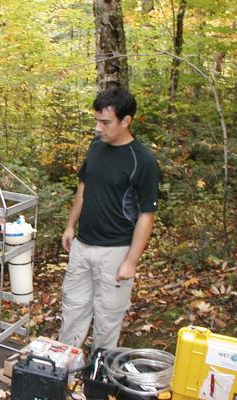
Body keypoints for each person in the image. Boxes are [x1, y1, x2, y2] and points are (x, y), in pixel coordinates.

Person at [59, 86, 159, 351]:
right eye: (96, 120)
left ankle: (99, 372)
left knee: (107, 315)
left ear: (126, 121)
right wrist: (70, 226)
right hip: (82, 246)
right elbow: (84, 187)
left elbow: (146, 216)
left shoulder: (143, 161)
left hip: (115, 252)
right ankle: (65, 367)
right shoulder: (96, 146)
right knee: (73, 307)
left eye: (105, 122)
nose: (98, 127)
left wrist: (131, 261)